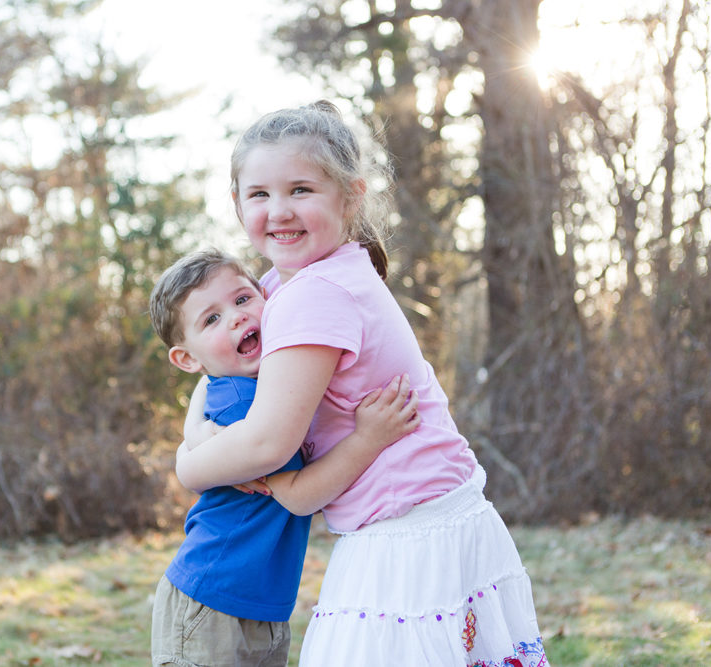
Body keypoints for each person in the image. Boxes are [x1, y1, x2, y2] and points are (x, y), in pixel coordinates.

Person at [175, 101, 548, 666]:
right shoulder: (292, 283)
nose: (279, 210)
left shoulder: (312, 294)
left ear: (351, 195)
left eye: (301, 189)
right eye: (259, 194)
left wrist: (186, 466)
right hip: (437, 516)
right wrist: (197, 430)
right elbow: (215, 379)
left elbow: (268, 445)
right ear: (236, 203)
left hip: (407, 538)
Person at [148, 248, 420, 667]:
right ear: (187, 358)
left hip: (258, 602)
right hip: (213, 598)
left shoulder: (256, 389)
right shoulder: (247, 410)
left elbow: (204, 390)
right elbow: (301, 495)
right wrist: (369, 439)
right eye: (212, 319)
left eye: (242, 300)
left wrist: (193, 434)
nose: (237, 317)